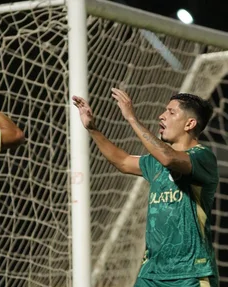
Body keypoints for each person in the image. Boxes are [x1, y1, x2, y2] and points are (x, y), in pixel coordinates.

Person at [73, 88, 219, 287]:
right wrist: (93, 129)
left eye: (171, 112)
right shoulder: (155, 162)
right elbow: (123, 161)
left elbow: (169, 158)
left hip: (191, 273)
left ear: (189, 123)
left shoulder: (203, 157)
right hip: (152, 272)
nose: (162, 115)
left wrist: (132, 118)